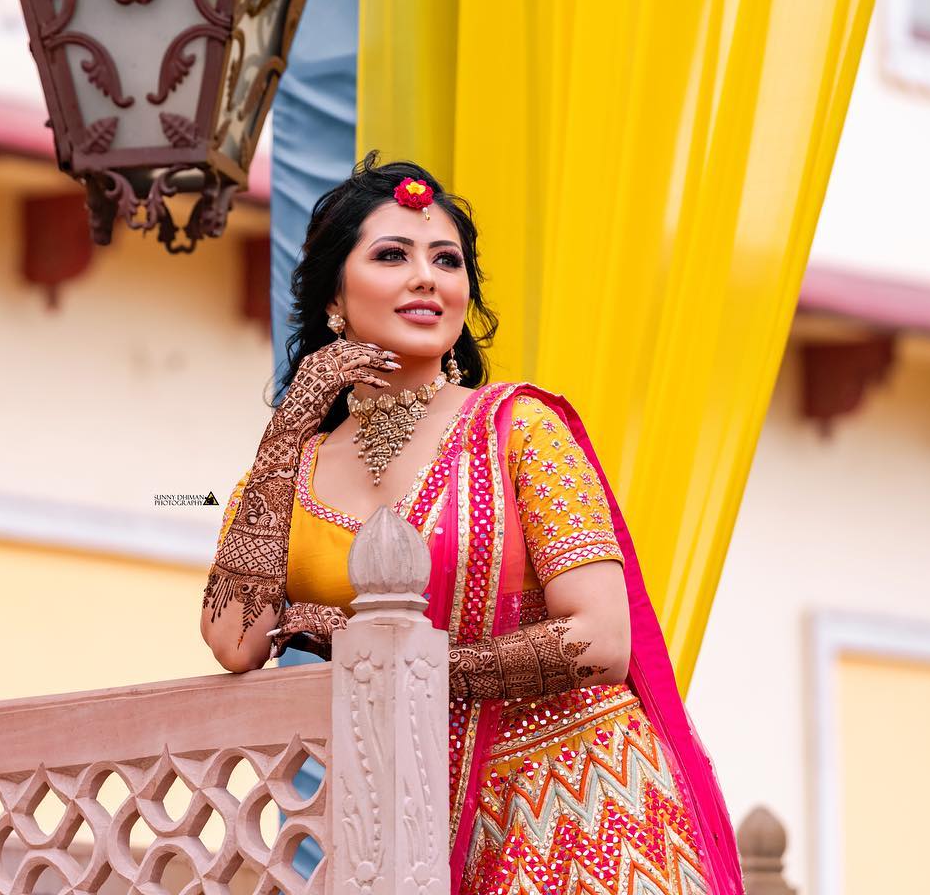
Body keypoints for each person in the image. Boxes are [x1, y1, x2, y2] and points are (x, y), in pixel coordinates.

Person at [200, 152, 744, 895]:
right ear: (334, 292)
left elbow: (603, 640)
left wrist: (404, 670)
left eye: (446, 260)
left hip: (573, 801)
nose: (426, 276)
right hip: (399, 821)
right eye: (392, 255)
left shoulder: (517, 428)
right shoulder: (292, 470)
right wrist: (293, 416)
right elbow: (236, 640)